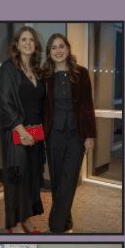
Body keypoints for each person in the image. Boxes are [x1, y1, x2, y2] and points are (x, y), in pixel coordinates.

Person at [42, 33, 96, 234]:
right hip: (53, 135)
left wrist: (90, 136)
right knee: (57, 180)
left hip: (76, 135)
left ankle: (55, 227)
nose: (58, 50)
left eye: (61, 46)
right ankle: (66, 224)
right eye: (54, 47)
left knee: (68, 180)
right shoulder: (45, 75)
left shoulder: (81, 73)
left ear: (67, 48)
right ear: (49, 52)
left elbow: (87, 105)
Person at [0, 27, 46, 234]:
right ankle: (14, 223)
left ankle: (25, 219)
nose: (28, 43)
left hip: (37, 135)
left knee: (33, 178)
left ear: (36, 45)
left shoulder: (37, 70)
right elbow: (4, 102)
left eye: (31, 40)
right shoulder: (8, 68)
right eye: (24, 39)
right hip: (17, 133)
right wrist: (22, 132)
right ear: (17, 44)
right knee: (17, 179)